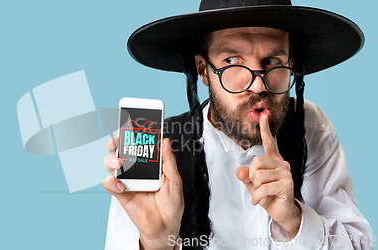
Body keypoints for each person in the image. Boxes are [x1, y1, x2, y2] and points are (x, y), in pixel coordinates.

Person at [103, 0, 374, 249]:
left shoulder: (310, 127)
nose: (258, 84)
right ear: (203, 71)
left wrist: (295, 221)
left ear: (291, 65)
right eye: (232, 61)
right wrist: (156, 242)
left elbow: (360, 243)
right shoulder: (157, 149)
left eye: (272, 62)